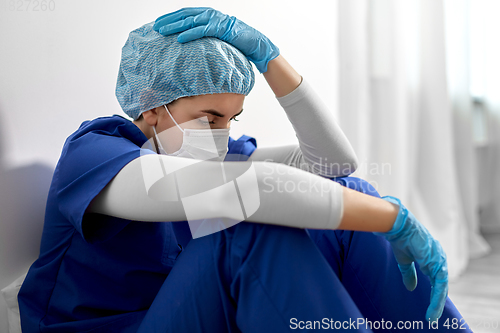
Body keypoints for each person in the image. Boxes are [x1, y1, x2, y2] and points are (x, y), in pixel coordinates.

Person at [18, 7, 471, 333]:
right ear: (153, 105)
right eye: (210, 117)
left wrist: (270, 58)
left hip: (194, 315)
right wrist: (391, 218)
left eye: (232, 118)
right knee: (250, 228)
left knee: (347, 191)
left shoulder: (209, 156)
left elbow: (332, 165)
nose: (221, 133)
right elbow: (243, 191)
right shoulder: (95, 153)